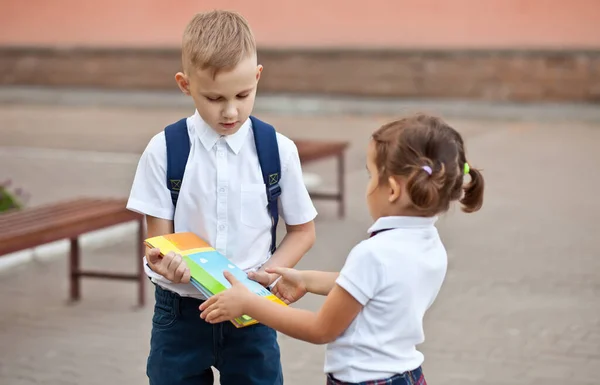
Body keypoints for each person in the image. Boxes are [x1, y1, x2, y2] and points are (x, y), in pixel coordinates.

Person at [199, 113, 485, 385]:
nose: (368, 185)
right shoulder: (428, 244)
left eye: (371, 175)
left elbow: (320, 329)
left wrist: (250, 304)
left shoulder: (373, 253)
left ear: (394, 190)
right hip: (406, 374)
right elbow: (376, 286)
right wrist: (306, 280)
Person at [126, 9, 318, 385]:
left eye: (243, 95)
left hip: (252, 314)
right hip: (180, 315)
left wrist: (266, 276)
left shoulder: (277, 150)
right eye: (214, 98)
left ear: (258, 76)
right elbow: (157, 242)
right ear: (185, 85)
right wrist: (164, 261)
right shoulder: (164, 150)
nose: (231, 111)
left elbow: (303, 231)